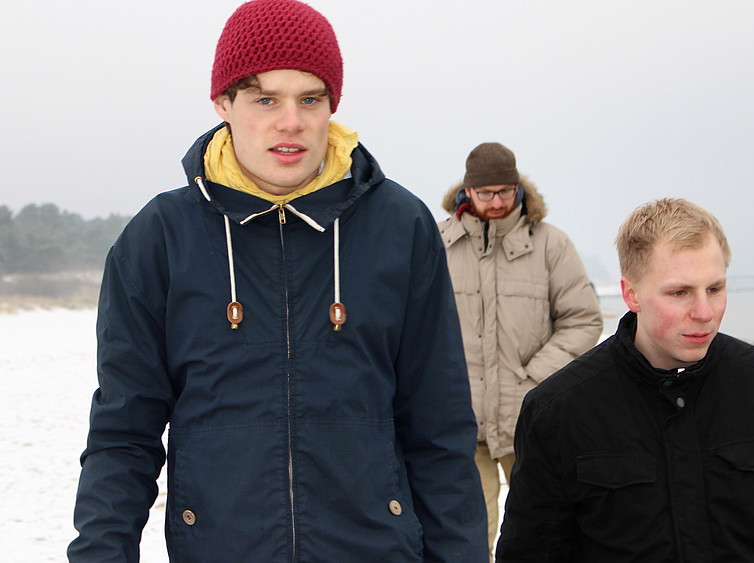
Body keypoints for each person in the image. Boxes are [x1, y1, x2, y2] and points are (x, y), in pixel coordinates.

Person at [68, 1, 487, 561]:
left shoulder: (400, 226)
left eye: (310, 99)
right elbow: (124, 433)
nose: (290, 121)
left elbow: (438, 428)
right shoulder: (159, 237)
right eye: (265, 99)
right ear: (224, 103)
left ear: (331, 105)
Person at [496, 198, 754, 562]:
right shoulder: (557, 411)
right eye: (680, 293)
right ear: (631, 293)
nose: (704, 313)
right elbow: (530, 553)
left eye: (714, 289)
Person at [438, 142, 603, 555]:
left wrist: (534, 381)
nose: (497, 202)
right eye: (486, 193)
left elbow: (583, 320)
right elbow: (415, 328)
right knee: (468, 538)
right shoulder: (437, 242)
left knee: (544, 534)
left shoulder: (552, 244)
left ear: (518, 188)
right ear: (467, 192)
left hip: (532, 423)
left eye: (505, 192)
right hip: (460, 423)